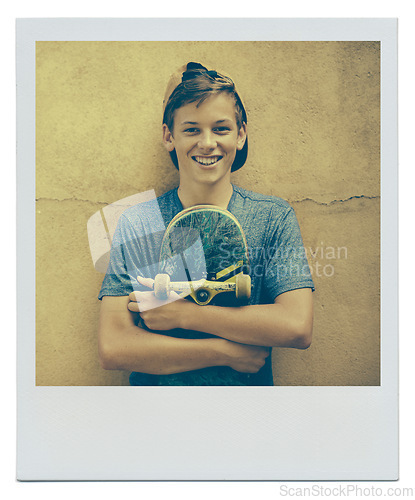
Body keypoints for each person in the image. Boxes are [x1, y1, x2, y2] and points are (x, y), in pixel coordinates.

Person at [97, 62, 315, 386]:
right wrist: (223, 352)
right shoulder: (139, 222)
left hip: (244, 420)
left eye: (221, 128)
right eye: (192, 129)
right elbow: (113, 347)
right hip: (156, 421)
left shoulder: (273, 217)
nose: (208, 142)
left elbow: (297, 325)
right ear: (169, 136)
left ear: (240, 135)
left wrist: (184, 314)